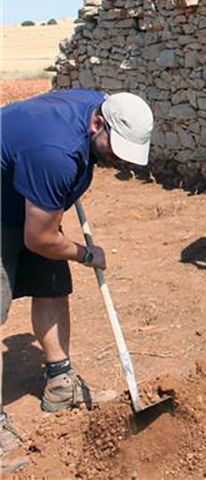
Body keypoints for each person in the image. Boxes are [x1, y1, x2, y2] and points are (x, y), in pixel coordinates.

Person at [0, 89, 155, 461]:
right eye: (114, 148)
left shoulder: (100, 104)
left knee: (52, 284)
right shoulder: (54, 154)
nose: (118, 159)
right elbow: (39, 239)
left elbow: (42, 236)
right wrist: (85, 254)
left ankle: (60, 382)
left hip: (29, 194)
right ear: (97, 123)